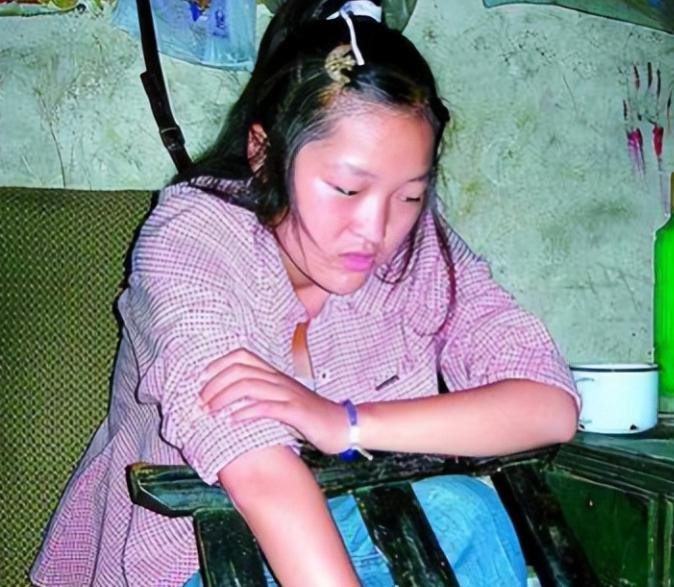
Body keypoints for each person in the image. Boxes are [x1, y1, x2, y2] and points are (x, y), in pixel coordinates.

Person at [31, 1, 580, 585]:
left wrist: (346, 423)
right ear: (265, 154)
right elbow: (260, 474)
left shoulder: (418, 251)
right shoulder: (192, 239)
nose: (375, 230)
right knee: (452, 515)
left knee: (460, 514)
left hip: (362, 527)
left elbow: (547, 404)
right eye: (346, 189)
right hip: (197, 554)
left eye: (410, 196)